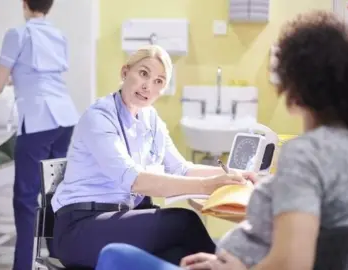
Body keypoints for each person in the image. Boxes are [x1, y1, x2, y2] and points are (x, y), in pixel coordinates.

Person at [94, 10, 348, 270]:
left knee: (114, 255)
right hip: (235, 259)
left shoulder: (306, 153)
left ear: (297, 85)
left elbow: (293, 261)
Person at [50, 44, 246, 268]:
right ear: (125, 72)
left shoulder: (150, 119)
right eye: (143, 73)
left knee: (180, 257)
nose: (148, 86)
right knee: (184, 222)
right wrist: (205, 186)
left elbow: (182, 168)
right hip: (80, 229)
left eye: (158, 81)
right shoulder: (100, 117)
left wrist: (235, 175)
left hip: (119, 221)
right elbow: (134, 180)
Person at [0, 0, 79, 269]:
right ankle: (58, 256)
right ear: (49, 6)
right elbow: (41, 75)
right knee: (53, 192)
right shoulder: (58, 35)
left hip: (38, 121)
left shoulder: (18, 34)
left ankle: (23, 265)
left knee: (26, 199)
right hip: (65, 119)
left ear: (24, 4)